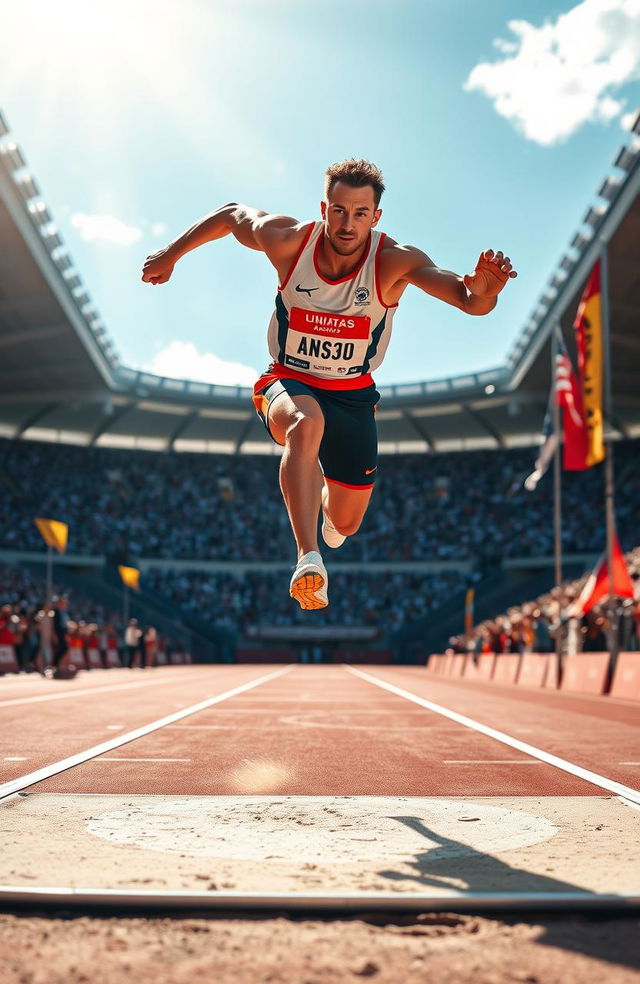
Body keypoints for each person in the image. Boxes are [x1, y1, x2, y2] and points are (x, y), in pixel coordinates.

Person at [142, 159, 517, 610]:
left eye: (360, 213)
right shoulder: (288, 242)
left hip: (354, 398)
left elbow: (467, 301)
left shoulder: (395, 261)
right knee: (306, 423)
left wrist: (485, 291)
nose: (347, 223)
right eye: (339, 210)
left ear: (376, 218)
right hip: (287, 378)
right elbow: (229, 214)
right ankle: (308, 559)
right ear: (324, 208)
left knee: (347, 522)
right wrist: (170, 254)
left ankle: (328, 515)